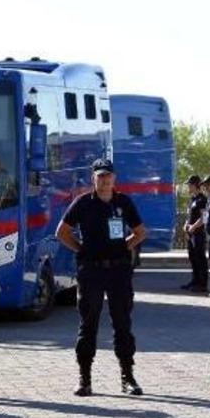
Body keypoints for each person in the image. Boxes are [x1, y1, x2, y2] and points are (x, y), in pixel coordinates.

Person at [55, 158, 147, 397]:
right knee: (88, 324)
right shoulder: (83, 203)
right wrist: (81, 249)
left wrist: (124, 247)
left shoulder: (123, 202)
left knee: (122, 323)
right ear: (93, 179)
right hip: (92, 271)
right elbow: (62, 232)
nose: (105, 180)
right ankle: (84, 378)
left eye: (108, 176)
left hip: (118, 271)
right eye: (100, 176)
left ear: (114, 178)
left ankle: (127, 377)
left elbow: (140, 232)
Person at [181, 175, 209, 292]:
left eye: (190, 184)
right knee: (192, 257)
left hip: (198, 233)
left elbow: (204, 218)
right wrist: (186, 225)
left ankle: (202, 284)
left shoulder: (202, 199)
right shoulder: (192, 199)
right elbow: (189, 216)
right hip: (191, 233)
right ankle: (195, 280)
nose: (188, 187)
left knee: (200, 258)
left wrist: (193, 226)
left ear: (196, 185)